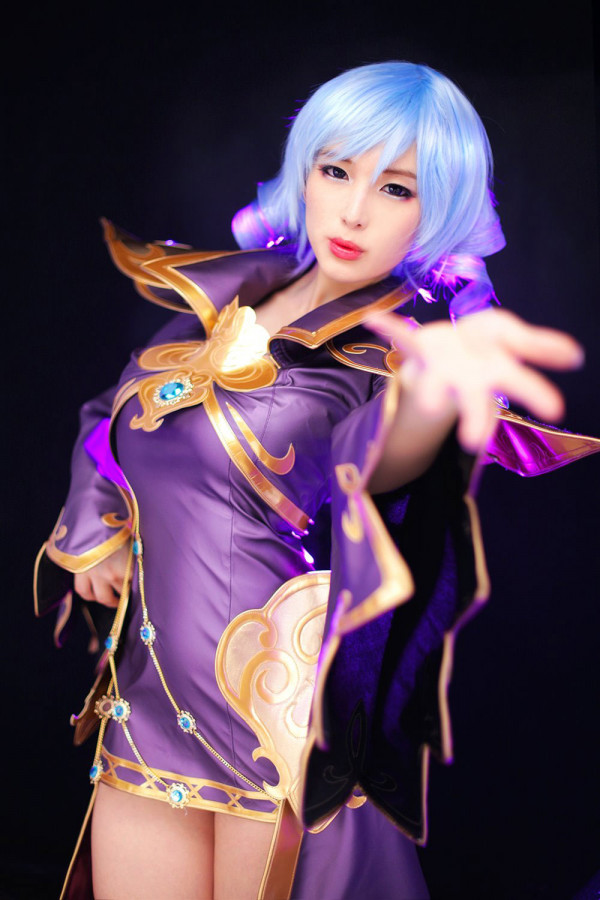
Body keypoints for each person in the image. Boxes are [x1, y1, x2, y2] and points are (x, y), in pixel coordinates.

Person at [34, 61, 599, 900]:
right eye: (337, 170)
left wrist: (436, 398)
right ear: (304, 170)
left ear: (441, 211)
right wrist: (95, 533)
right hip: (146, 702)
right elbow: (109, 417)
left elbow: (384, 464)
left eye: (397, 188)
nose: (354, 209)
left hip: (278, 715)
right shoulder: (220, 294)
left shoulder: (383, 362)